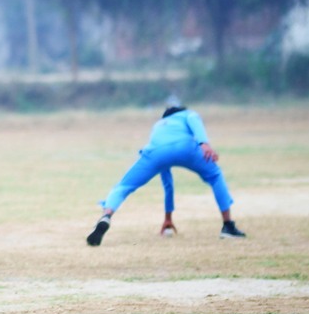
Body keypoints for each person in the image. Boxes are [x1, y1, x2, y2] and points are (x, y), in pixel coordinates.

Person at [86, 101, 246, 246]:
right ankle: (228, 226)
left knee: (123, 186)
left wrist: (168, 218)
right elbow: (193, 119)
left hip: (155, 152)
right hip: (186, 147)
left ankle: (106, 215)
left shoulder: (159, 125)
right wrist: (203, 143)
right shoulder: (186, 114)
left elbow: (167, 183)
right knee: (215, 175)